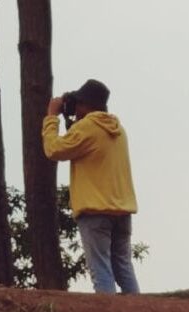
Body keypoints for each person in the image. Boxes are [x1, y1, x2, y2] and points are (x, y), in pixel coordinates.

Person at [42, 79, 140, 294]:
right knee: (123, 267)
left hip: (95, 212)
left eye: (77, 104)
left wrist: (51, 118)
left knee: (101, 269)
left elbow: (54, 150)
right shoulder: (118, 130)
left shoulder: (88, 128)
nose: (75, 109)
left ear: (86, 105)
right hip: (122, 210)